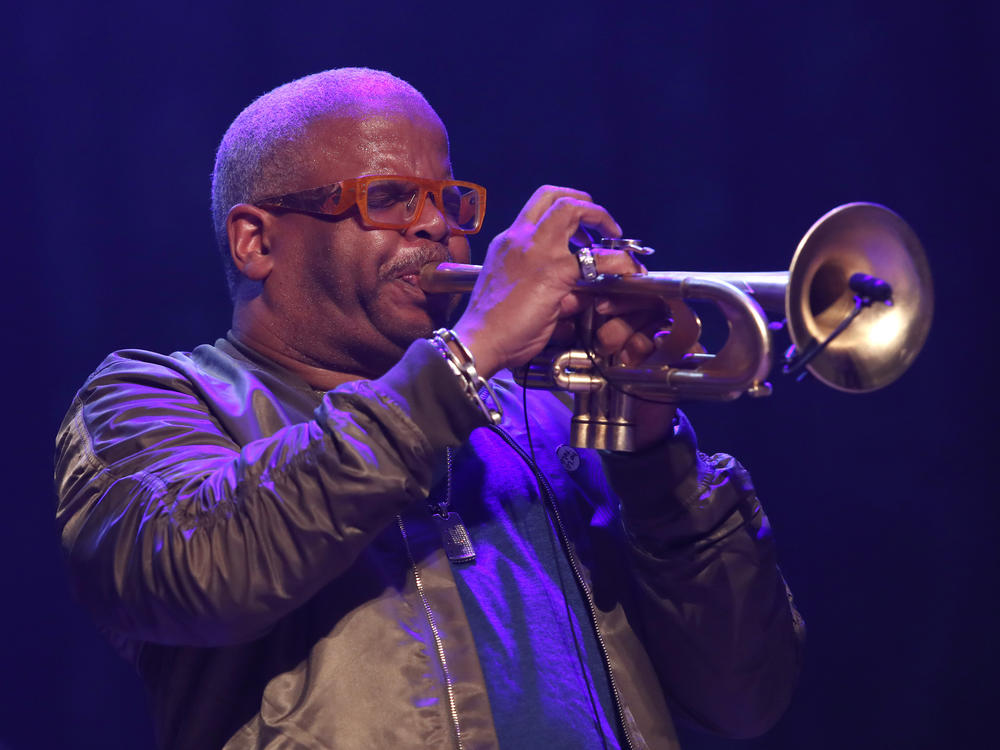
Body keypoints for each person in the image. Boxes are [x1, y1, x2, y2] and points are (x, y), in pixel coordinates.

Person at [54, 68, 804, 750]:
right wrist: (463, 361)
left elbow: (744, 697)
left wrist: (651, 449)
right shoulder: (152, 400)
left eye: (447, 199)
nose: (435, 225)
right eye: (387, 199)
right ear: (256, 242)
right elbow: (198, 571)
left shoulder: (547, 416)